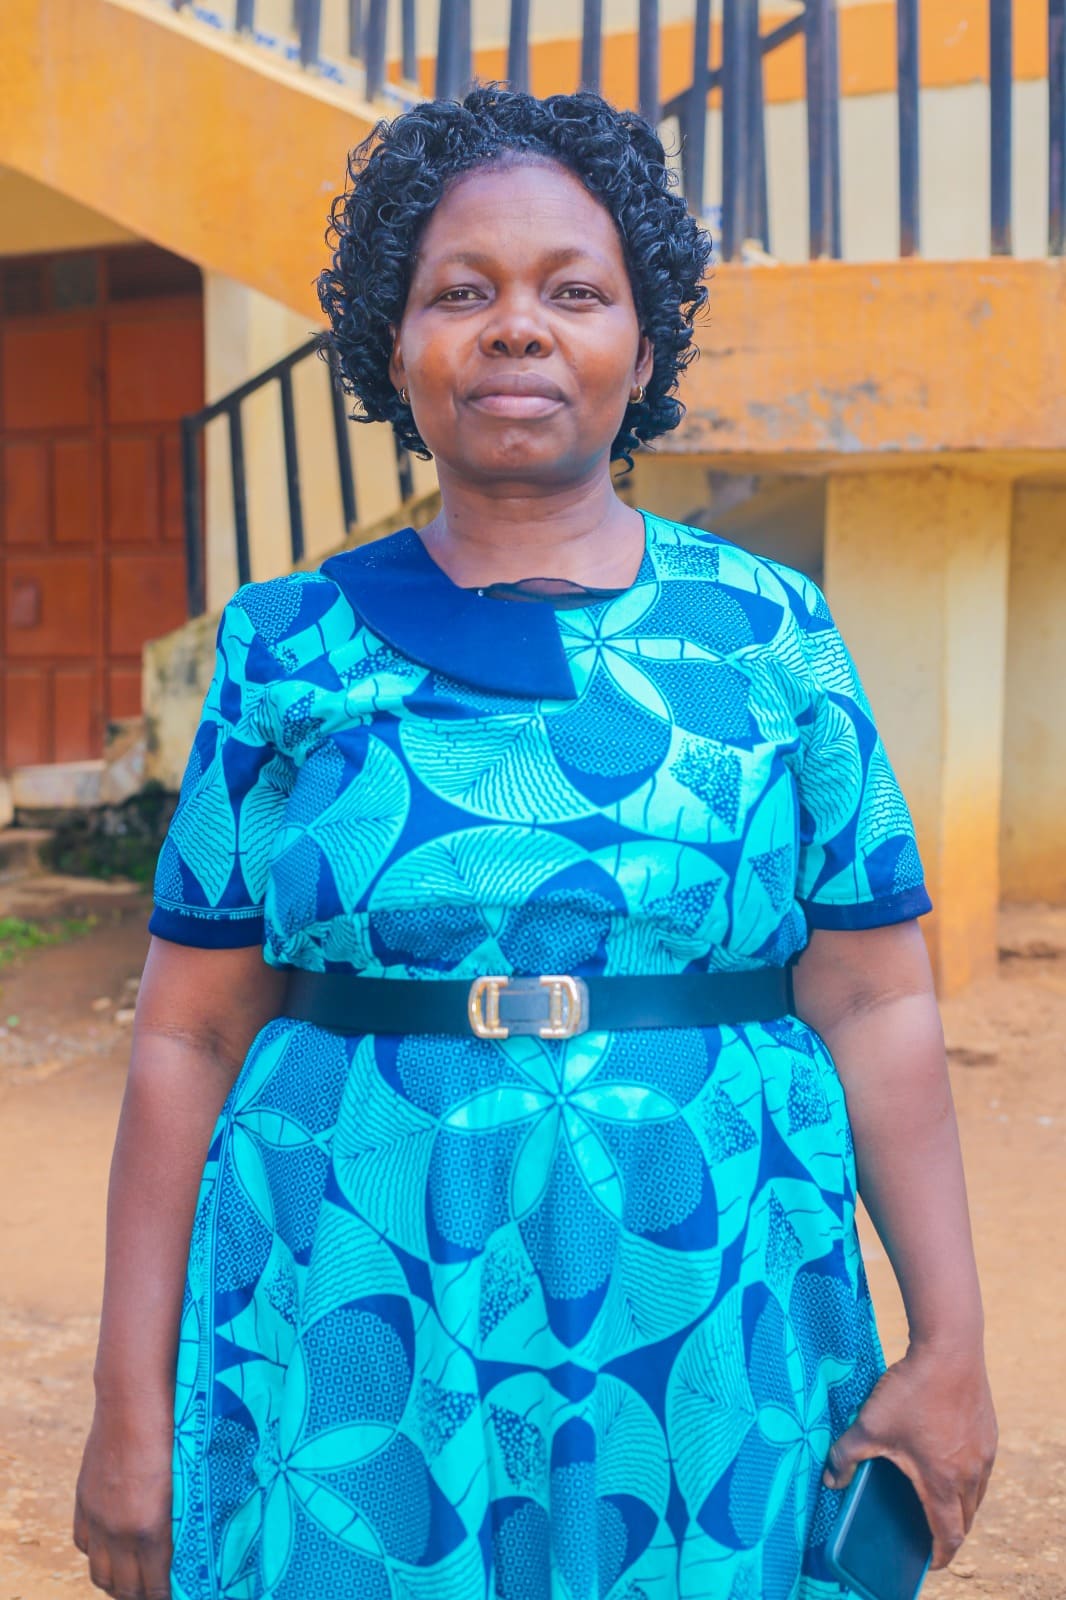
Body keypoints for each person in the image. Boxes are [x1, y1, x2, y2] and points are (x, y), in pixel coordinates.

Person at [74, 86, 996, 1600]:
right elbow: (186, 1034)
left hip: (707, 1301)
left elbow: (874, 997)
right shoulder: (285, 648)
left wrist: (950, 1343)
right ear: (391, 344)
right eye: (461, 292)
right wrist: (129, 1411)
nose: (518, 328)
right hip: (360, 1289)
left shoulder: (772, 637)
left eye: (574, 291)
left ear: (644, 347)